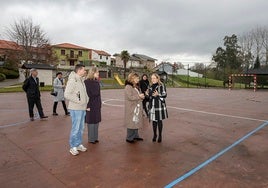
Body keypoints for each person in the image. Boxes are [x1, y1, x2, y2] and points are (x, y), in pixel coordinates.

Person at [64, 64, 89, 156]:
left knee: (81, 128)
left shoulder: (81, 80)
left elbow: (83, 93)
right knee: (76, 128)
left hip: (82, 108)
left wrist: (86, 101)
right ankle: (73, 146)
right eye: (84, 70)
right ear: (79, 70)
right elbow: (67, 94)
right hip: (75, 108)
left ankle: (78, 144)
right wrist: (79, 100)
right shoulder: (72, 80)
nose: (85, 71)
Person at [147, 73, 168, 143]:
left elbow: (164, 95)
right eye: (152, 78)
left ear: (157, 78)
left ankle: (160, 135)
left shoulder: (161, 85)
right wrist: (147, 95)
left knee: (159, 121)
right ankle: (155, 134)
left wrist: (158, 94)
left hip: (159, 106)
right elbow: (149, 96)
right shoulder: (150, 86)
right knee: (154, 121)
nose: (153, 80)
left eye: (154, 78)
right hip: (152, 105)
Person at [124, 72, 145, 143]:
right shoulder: (128, 87)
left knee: (136, 121)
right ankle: (129, 137)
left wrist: (142, 96)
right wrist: (139, 96)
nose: (138, 79)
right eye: (137, 78)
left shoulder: (136, 86)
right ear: (132, 78)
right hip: (131, 107)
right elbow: (130, 97)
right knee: (131, 122)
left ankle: (136, 136)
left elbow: (138, 96)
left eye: (138, 78)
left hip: (137, 107)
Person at [84, 67, 102, 144]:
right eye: (97, 72)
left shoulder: (96, 81)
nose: (98, 74)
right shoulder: (87, 82)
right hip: (90, 104)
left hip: (97, 104)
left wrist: (99, 104)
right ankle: (91, 139)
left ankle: (95, 137)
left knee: (96, 121)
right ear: (93, 73)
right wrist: (86, 106)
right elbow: (86, 95)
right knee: (91, 122)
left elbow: (98, 94)